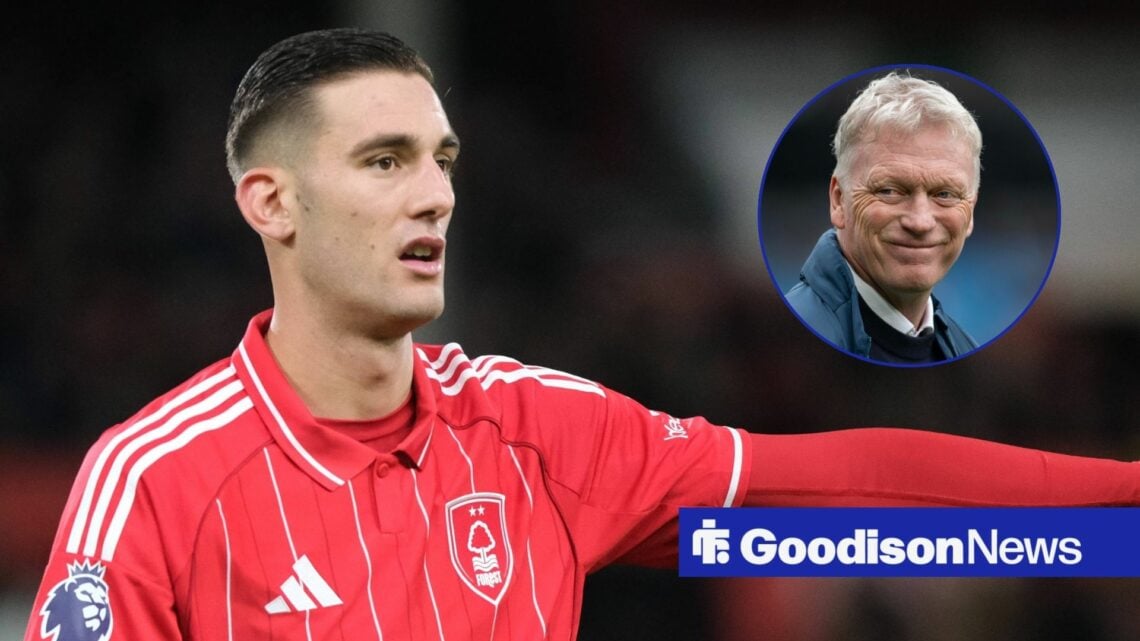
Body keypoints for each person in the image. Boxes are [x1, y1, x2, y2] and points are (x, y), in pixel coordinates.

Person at [23, 29, 1140, 641]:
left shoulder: (536, 431)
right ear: (270, 201)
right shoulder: (154, 479)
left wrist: (1114, 518)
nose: (433, 197)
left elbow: (838, 504)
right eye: (383, 161)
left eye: (442, 160)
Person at [785, 71, 980, 364]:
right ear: (839, 201)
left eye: (945, 194)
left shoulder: (963, 348)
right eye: (889, 191)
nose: (920, 222)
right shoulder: (793, 349)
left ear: (971, 210)